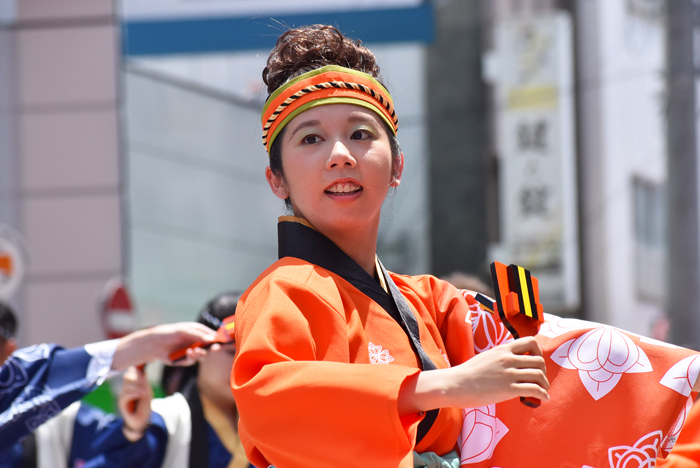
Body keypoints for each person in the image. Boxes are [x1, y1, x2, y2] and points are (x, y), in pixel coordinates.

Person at [230, 24, 700, 468]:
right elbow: (268, 400)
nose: (340, 155)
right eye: (311, 138)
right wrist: (440, 386)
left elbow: (555, 354)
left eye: (360, 134)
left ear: (396, 167)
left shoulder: (426, 303)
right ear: (277, 179)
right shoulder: (284, 290)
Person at [0, 320, 216, 456]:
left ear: (10, 349)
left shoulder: (64, 416)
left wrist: (133, 428)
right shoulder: (170, 417)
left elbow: (107, 457)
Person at [116, 291, 253, 468]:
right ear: (200, 347)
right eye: (231, 351)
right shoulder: (164, 418)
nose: (241, 364)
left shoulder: (266, 425)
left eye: (251, 355)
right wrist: (134, 431)